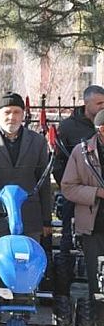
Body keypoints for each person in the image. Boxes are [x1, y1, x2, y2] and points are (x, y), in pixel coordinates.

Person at [0, 92, 51, 254]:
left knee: (26, 265)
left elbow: (44, 182)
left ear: (23, 114)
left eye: (16, 112)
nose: (11, 117)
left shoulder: (37, 141)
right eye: (7, 112)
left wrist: (46, 220)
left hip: (28, 218)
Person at [60, 109, 104, 302]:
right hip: (94, 227)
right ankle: (98, 317)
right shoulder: (82, 152)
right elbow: (68, 188)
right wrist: (97, 192)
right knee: (97, 282)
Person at [54, 85, 104, 253]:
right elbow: (57, 163)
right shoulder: (69, 127)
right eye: (99, 103)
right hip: (78, 196)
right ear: (86, 103)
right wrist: (77, 188)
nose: (103, 107)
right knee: (68, 241)